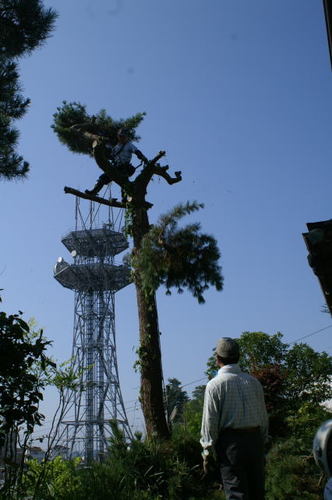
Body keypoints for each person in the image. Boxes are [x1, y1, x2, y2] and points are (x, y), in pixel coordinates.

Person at [200, 337, 268, 500]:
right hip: (255, 441)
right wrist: (263, 443)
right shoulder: (253, 382)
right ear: (239, 356)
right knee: (257, 493)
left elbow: (210, 423)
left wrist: (207, 453)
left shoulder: (215, 385)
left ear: (217, 359)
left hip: (231, 447)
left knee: (237, 494)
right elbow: (264, 418)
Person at [85, 127, 148, 196]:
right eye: (120, 136)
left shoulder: (129, 145)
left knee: (124, 183)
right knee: (102, 178)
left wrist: (143, 158)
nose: (122, 138)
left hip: (124, 168)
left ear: (126, 137)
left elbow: (137, 151)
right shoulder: (116, 147)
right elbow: (111, 156)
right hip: (115, 167)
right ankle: (94, 191)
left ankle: (125, 199)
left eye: (123, 136)